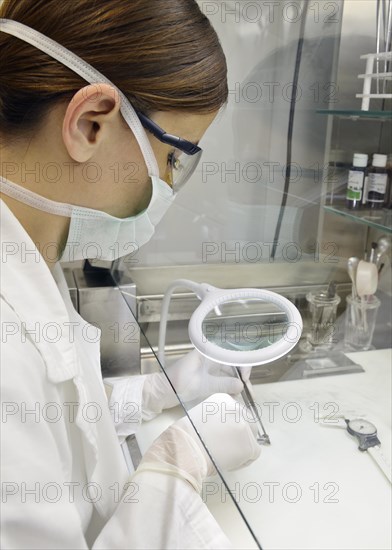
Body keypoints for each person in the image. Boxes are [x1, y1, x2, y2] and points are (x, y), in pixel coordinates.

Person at [0, 1, 261, 549]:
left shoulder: (28, 261)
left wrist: (156, 392)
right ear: (90, 122)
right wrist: (178, 466)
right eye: (172, 159)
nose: (166, 185)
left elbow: (54, 428)